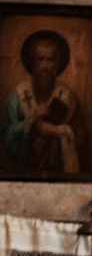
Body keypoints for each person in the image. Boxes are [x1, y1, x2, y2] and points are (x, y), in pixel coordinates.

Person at [3, 30, 81, 175]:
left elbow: (81, 139)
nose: (45, 65)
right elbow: (6, 138)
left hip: (59, 175)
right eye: (40, 59)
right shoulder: (18, 96)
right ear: (32, 63)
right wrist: (31, 121)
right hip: (23, 176)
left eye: (50, 60)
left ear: (57, 64)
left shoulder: (68, 97)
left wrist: (58, 132)